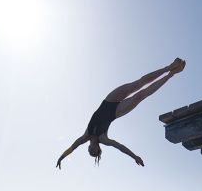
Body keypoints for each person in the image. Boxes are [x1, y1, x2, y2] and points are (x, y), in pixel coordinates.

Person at [56, 58, 186, 169]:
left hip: (108, 101)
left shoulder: (84, 137)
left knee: (137, 84)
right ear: (98, 149)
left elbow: (72, 148)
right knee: (141, 95)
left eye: (90, 150)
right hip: (116, 112)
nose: (92, 149)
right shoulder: (104, 139)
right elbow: (120, 147)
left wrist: (61, 158)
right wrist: (134, 156)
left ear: (89, 147)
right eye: (94, 151)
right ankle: (171, 74)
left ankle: (169, 67)